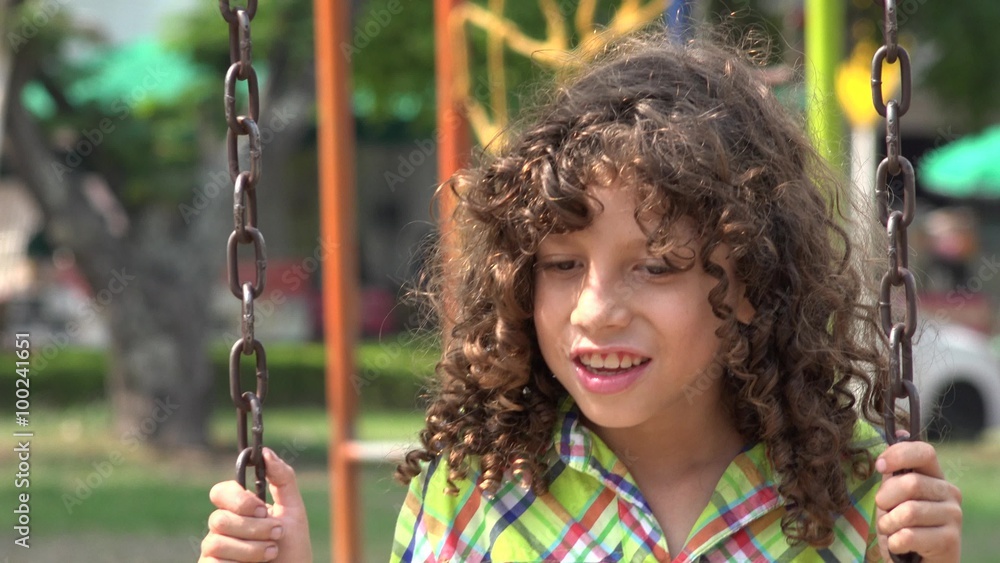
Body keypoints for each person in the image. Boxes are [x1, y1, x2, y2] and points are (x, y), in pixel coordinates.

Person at [198, 31, 963, 563]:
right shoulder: (477, 489)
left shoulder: (856, 495)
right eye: (562, 264)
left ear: (754, 284)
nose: (596, 309)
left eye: (655, 267)